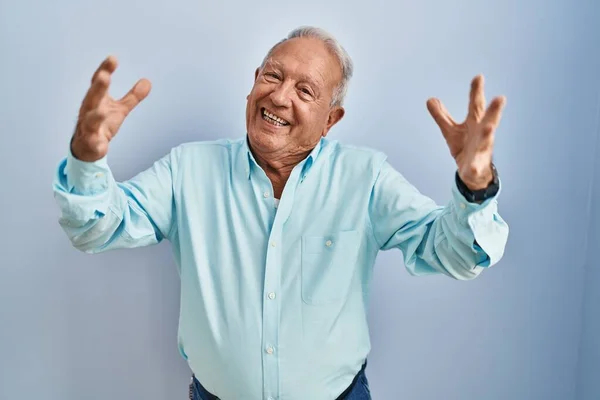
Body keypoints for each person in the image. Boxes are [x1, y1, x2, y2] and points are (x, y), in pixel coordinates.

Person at [52, 26, 509, 400]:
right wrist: (86, 158)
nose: (279, 96)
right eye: (272, 76)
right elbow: (96, 227)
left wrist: (475, 186)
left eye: (305, 90)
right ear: (253, 82)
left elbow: (455, 254)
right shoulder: (187, 169)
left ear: (331, 120)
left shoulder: (366, 177)